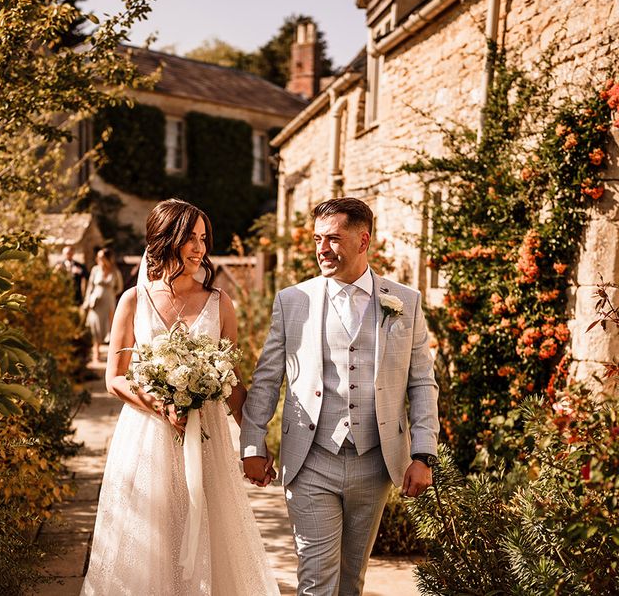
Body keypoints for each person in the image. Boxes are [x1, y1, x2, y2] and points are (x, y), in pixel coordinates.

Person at [241, 196, 440, 596]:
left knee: (352, 580)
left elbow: (421, 382)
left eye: (332, 238)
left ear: (363, 240)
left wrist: (423, 454)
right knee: (316, 579)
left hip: (375, 461)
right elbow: (267, 378)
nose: (322, 249)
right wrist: (252, 444)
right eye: (317, 239)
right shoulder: (294, 300)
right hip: (311, 458)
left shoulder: (406, 301)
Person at [81, 198, 279, 596]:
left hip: (206, 438)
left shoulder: (220, 303)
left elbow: (231, 381)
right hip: (147, 439)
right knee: (150, 539)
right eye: (190, 238)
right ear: (163, 239)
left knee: (208, 530)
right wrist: (159, 406)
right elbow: (114, 378)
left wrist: (255, 445)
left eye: (203, 238)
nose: (199, 248)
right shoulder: (133, 301)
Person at [82, 247, 124, 364]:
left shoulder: (115, 271)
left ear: (107, 258)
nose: (98, 259)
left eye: (101, 257)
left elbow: (119, 287)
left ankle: (112, 357)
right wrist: (87, 301)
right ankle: (96, 353)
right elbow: (90, 286)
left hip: (108, 302)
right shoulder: (95, 270)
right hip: (96, 302)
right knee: (95, 326)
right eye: (98, 257)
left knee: (108, 327)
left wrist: (110, 294)